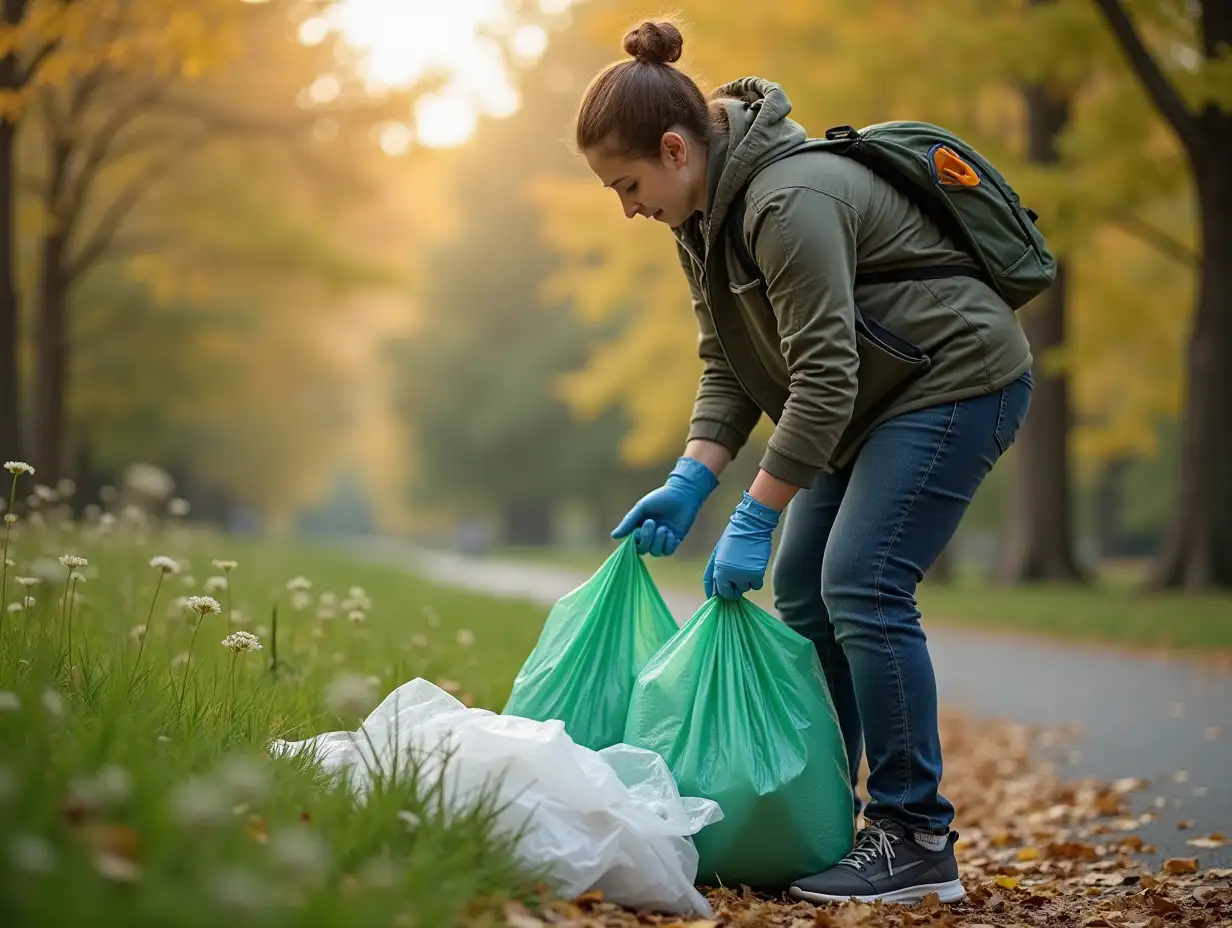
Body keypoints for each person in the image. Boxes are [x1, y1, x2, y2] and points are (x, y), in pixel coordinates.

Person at [576, 19, 1035, 907]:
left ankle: (914, 836)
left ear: (676, 148)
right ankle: (817, 810)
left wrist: (752, 511)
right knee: (803, 589)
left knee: (862, 581)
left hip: (955, 380)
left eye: (627, 185)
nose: (626, 207)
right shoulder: (700, 217)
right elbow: (732, 360)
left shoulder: (790, 202)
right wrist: (691, 477)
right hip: (870, 400)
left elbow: (826, 375)